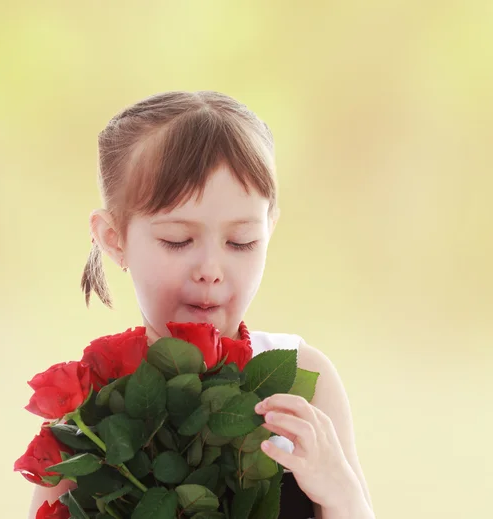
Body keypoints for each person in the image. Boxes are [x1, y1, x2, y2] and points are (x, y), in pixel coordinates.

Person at [28, 91, 374, 519]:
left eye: (241, 242)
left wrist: (343, 496)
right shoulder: (89, 408)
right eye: (178, 240)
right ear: (114, 238)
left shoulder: (304, 379)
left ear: (269, 230)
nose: (211, 268)